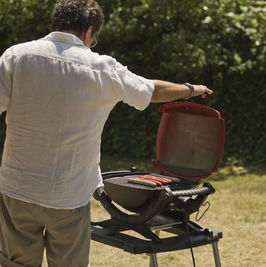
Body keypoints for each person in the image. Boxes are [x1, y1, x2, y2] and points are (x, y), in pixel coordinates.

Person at [0, 0, 212, 266]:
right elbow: (151, 91)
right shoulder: (102, 68)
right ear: (89, 31)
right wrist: (190, 88)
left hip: (17, 188)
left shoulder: (16, 56)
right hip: (69, 194)